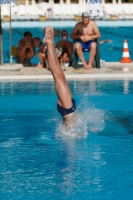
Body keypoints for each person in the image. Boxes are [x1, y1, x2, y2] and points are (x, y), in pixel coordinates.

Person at [43, 26, 76, 125]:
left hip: (68, 112)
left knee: (58, 75)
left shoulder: (69, 137)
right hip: (69, 110)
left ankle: (49, 42)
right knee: (60, 75)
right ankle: (50, 42)